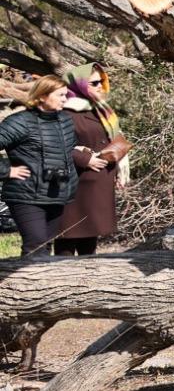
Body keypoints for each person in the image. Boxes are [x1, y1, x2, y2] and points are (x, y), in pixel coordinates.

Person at [0, 75, 80, 372]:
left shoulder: (65, 121)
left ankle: (26, 330)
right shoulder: (18, 122)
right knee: (35, 254)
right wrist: (7, 170)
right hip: (26, 197)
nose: (65, 99)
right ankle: (23, 337)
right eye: (60, 95)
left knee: (44, 257)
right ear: (42, 96)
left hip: (56, 197)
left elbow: (66, 155)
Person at [55, 64, 130, 256]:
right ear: (78, 84)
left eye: (102, 82)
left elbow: (111, 138)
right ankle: (61, 274)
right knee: (67, 237)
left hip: (99, 181)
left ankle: (88, 275)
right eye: (94, 83)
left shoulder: (102, 110)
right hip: (75, 182)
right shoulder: (63, 111)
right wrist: (85, 159)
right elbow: (53, 145)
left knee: (90, 236)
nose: (100, 86)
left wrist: (117, 164)